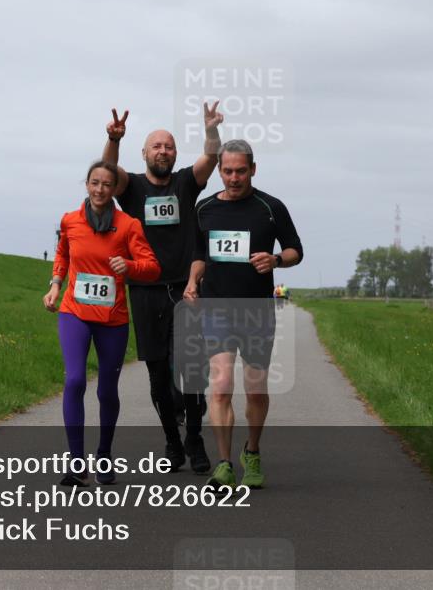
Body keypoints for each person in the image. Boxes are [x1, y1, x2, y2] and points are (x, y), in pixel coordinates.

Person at [102, 103, 223, 473]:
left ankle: (195, 441)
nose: (163, 151)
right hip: (144, 290)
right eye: (156, 146)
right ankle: (172, 441)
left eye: (168, 146)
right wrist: (113, 139)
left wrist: (211, 130)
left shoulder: (185, 182)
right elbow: (107, 173)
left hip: (184, 290)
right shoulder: (133, 187)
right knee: (158, 375)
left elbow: (211, 158)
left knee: (188, 368)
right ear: (144, 153)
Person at [184, 139, 303, 489]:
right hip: (216, 307)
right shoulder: (204, 209)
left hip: (256, 311)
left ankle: (251, 451)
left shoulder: (270, 207)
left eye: (240, 171)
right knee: (220, 386)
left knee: (255, 391)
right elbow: (198, 254)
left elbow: (296, 249)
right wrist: (193, 281)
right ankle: (223, 463)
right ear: (219, 170)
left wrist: (276, 259)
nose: (233, 178)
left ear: (253, 169)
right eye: (227, 171)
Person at [43, 160, 161, 486]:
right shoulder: (70, 221)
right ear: (87, 184)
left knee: (107, 390)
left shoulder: (128, 225)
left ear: (114, 190)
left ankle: (104, 454)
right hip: (74, 312)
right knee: (75, 381)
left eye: (106, 185)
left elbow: (152, 267)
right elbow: (63, 255)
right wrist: (55, 284)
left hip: (112, 319)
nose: (99, 190)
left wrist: (129, 266)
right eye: (94, 183)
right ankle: (76, 461)